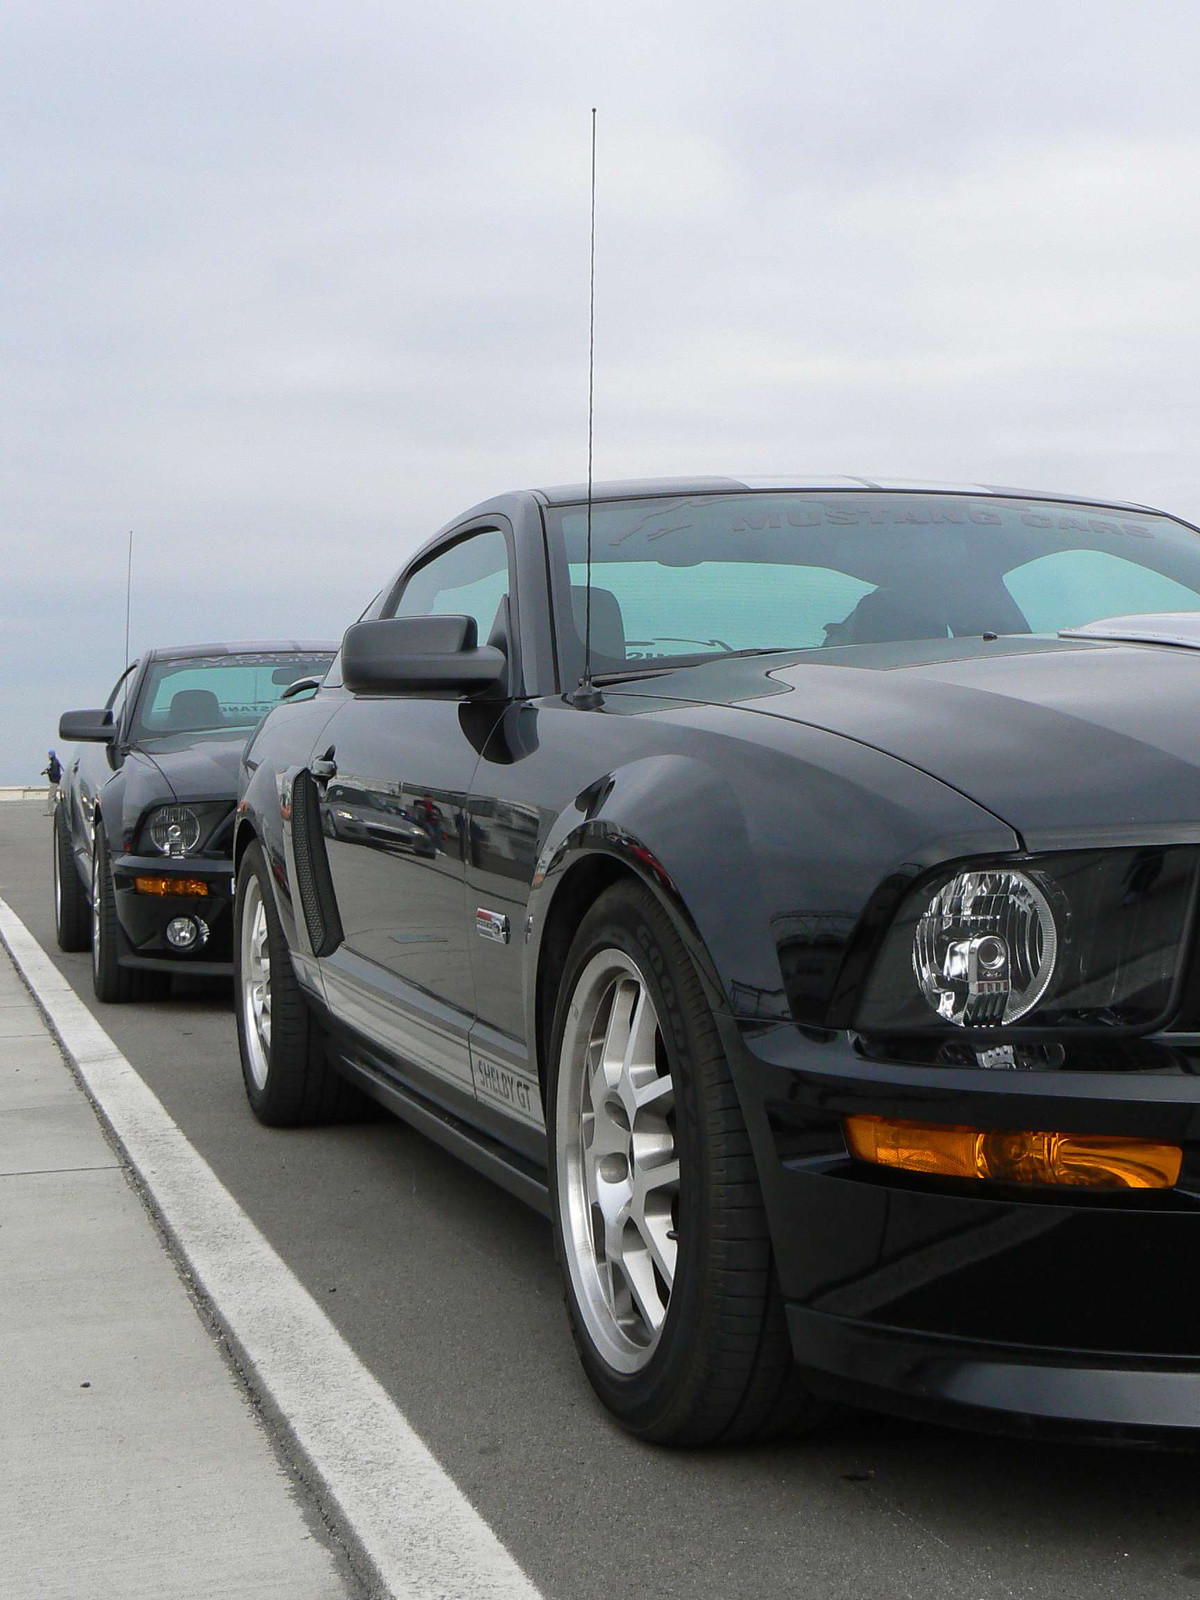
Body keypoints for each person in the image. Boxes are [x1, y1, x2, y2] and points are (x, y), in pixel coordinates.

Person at [41, 750, 62, 816]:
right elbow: (49, 768)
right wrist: (45, 771)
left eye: (49, 755)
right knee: (54, 796)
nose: (48, 757)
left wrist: (48, 772)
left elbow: (55, 772)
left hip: (54, 781)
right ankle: (62, 807)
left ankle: (51, 811)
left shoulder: (55, 763)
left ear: (51, 755)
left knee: (51, 796)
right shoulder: (53, 762)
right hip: (54, 781)